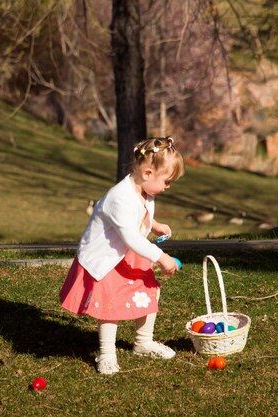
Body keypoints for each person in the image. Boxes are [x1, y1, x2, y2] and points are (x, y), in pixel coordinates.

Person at [59, 136, 185, 375]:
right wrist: (161, 257)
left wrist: (154, 224)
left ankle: (143, 342)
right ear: (147, 173)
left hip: (127, 254)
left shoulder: (143, 190)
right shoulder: (119, 198)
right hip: (107, 259)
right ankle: (106, 353)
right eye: (167, 181)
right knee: (109, 304)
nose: (168, 186)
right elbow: (132, 237)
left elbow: (137, 217)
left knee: (147, 292)